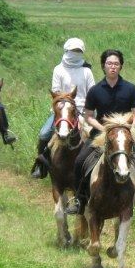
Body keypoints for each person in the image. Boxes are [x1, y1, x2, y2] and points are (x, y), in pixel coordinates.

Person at [65, 49, 135, 218]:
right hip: (100, 132)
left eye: (116, 63)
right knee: (79, 161)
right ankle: (79, 200)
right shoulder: (95, 90)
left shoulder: (130, 88)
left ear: (120, 66)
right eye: (109, 63)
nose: (113, 67)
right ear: (103, 66)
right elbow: (88, 116)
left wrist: (130, 127)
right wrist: (104, 129)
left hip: (126, 133)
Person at [30, 37, 96, 179]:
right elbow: (56, 91)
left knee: (96, 137)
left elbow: (92, 92)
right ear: (66, 51)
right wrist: (66, 103)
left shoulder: (87, 71)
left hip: (84, 111)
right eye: (73, 50)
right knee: (44, 134)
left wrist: (86, 109)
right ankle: (41, 165)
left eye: (78, 51)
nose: (75, 53)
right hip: (62, 110)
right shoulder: (58, 69)